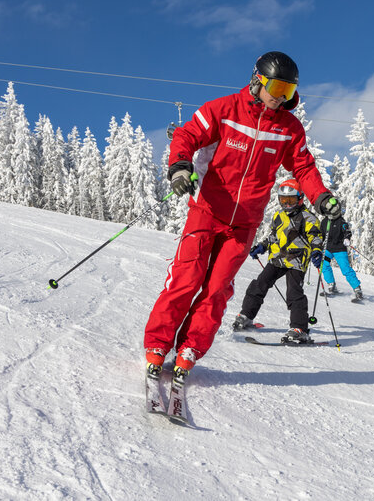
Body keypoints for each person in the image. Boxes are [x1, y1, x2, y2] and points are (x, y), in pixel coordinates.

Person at [143, 51, 342, 382]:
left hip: (244, 223)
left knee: (218, 288)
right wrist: (179, 166)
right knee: (186, 279)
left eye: (289, 91)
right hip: (207, 211)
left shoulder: (288, 129)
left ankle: (190, 348)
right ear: (257, 81)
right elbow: (186, 135)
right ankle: (158, 344)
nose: (281, 97)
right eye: (277, 88)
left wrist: (321, 197)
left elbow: (304, 167)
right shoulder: (223, 110)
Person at [232, 179, 324, 342]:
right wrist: (262, 246)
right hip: (278, 258)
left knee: (294, 292)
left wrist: (316, 250)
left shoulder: (307, 218)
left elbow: (315, 236)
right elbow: (274, 236)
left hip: (296, 260)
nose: (287, 204)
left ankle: (299, 328)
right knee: (259, 284)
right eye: (283, 200)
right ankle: (246, 315)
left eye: (291, 200)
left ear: (300, 199)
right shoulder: (279, 216)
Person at [319, 215, 363, 301]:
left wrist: (347, 238)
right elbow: (321, 235)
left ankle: (357, 289)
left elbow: (347, 231)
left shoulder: (340, 221)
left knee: (345, 269)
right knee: (323, 263)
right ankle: (331, 285)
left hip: (339, 249)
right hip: (328, 248)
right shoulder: (324, 222)